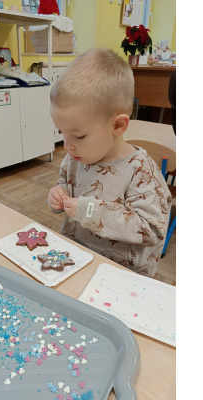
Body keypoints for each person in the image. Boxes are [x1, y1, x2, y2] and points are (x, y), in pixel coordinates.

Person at [47, 48, 173, 278]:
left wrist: (90, 212)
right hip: (77, 261)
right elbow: (66, 183)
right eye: (61, 132)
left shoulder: (140, 171)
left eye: (79, 135)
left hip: (121, 276)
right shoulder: (75, 156)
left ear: (118, 126)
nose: (67, 145)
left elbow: (152, 230)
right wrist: (59, 193)